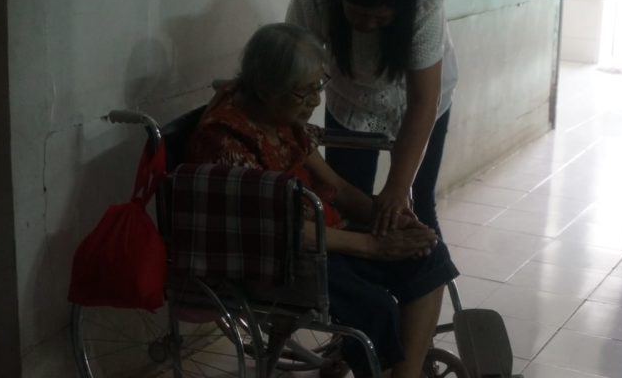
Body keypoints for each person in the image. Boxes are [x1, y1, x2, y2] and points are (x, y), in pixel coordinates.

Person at [186, 23, 459, 378]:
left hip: (320, 238)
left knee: (428, 255)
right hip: (277, 258)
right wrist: (373, 246)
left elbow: (337, 188)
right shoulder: (226, 143)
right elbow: (285, 231)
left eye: (319, 86)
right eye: (305, 92)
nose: (315, 101)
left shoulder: (281, 116)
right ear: (267, 89)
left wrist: (386, 220)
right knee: (376, 306)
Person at [286, 0, 458, 237]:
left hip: (416, 103)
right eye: (357, 14)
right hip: (350, 100)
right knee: (348, 204)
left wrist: (397, 188)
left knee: (415, 206)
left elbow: (423, 101)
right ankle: (367, 263)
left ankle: (420, 262)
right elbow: (294, 63)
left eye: (380, 19)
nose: (366, 25)